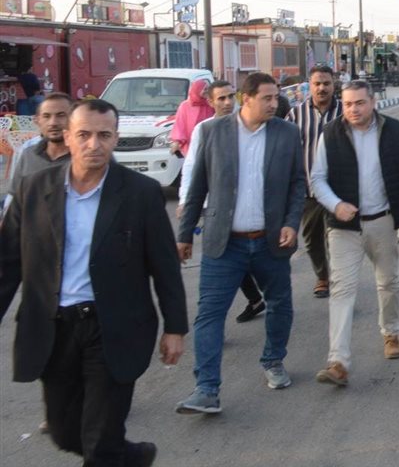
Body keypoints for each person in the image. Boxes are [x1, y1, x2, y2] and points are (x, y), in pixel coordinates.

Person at [0, 99, 187, 466]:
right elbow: (6, 265)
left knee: (99, 444)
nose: (94, 144)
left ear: (115, 138)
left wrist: (175, 327)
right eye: (84, 135)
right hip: (54, 328)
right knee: (65, 432)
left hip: (113, 328)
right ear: (68, 136)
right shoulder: (33, 189)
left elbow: (165, 266)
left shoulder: (140, 193)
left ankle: (115, 454)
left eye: (104, 135)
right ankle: (133, 456)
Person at [175, 72, 306, 414]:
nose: (274, 104)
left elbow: (297, 183)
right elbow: (198, 186)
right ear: (245, 99)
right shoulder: (212, 132)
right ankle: (206, 388)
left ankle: (273, 360)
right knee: (210, 313)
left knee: (280, 304)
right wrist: (185, 234)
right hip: (225, 243)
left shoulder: (286, 133)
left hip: (270, 241)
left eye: (276, 97)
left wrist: (291, 223)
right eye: (267, 98)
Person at [310, 81, 399, 388]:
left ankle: (390, 333)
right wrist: (336, 204)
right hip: (344, 227)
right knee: (342, 290)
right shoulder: (330, 134)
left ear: (373, 102)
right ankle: (338, 361)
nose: (353, 109)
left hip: (383, 220)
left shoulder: (393, 130)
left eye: (360, 103)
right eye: (348, 104)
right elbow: (317, 179)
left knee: (388, 282)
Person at [178, 81, 266, 324]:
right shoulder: (205, 129)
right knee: (221, 256)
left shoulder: (248, 126)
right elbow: (192, 167)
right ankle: (230, 309)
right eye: (221, 98)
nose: (228, 103)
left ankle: (256, 298)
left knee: (234, 255)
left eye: (231, 97)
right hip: (215, 206)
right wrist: (185, 200)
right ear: (211, 102)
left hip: (246, 208)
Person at [287, 65, 343, 299]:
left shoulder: (346, 111)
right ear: (309, 86)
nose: (322, 88)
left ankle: (339, 280)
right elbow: (287, 151)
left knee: (339, 239)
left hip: (340, 191)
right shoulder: (295, 115)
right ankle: (322, 275)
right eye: (317, 84)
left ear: (333, 84)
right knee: (312, 239)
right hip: (308, 191)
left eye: (326, 83)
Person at [6, 92, 72, 195]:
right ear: (37, 121)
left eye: (61, 115)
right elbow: (14, 195)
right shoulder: (27, 152)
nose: (53, 123)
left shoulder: (84, 154)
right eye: (46, 116)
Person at [168, 78, 212, 157]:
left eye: (208, 89)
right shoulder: (185, 106)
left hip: (208, 142)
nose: (207, 91)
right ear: (197, 90)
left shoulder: (210, 104)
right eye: (204, 89)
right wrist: (177, 141)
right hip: (191, 142)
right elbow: (180, 124)